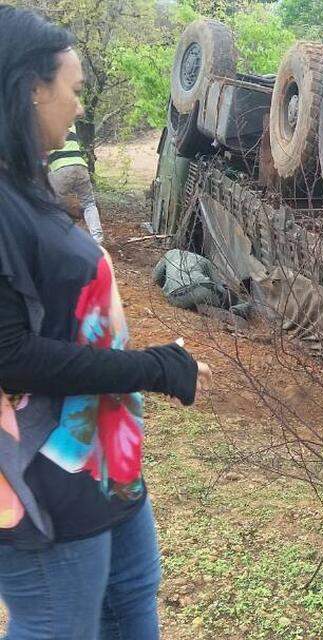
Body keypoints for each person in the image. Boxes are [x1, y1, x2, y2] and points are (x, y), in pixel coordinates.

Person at [0, 8, 209, 638]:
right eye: (76, 88)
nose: (79, 107)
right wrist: (151, 367)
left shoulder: (27, 189)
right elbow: (10, 354)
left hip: (106, 466)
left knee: (131, 609)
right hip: (44, 478)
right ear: (30, 86)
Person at [152, 248, 249, 317]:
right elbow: (218, 284)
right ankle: (238, 308)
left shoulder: (170, 253)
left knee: (200, 297)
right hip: (201, 289)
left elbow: (156, 278)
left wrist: (168, 283)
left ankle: (201, 306)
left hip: (175, 297)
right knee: (235, 299)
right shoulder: (204, 261)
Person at [47, 124, 103, 244]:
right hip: (80, 166)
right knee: (89, 203)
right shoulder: (69, 122)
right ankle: (97, 239)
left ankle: (56, 239)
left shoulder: (47, 120)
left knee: (51, 203)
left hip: (61, 167)